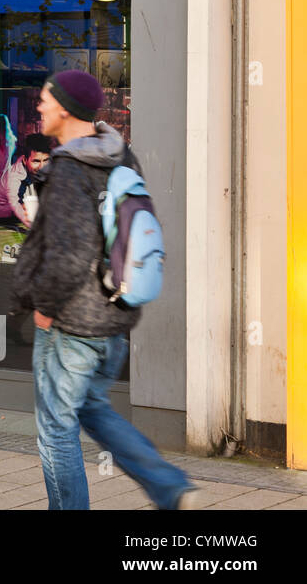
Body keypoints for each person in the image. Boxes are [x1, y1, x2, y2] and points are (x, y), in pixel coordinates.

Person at [11, 70, 193, 509]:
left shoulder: (72, 168)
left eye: (47, 99)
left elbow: (70, 255)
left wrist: (45, 308)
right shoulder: (120, 156)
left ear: (68, 108)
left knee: (56, 430)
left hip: (72, 323)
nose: (40, 106)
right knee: (92, 407)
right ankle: (166, 484)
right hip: (114, 318)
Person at [2, 134, 51, 229]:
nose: (42, 167)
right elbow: (15, 204)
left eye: (46, 160)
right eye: (36, 161)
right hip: (4, 219)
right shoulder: (14, 177)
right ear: (25, 160)